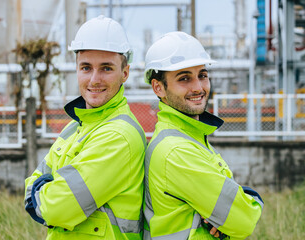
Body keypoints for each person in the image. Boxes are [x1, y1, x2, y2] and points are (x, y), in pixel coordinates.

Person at [24, 15, 146, 240]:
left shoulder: (119, 136)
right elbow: (31, 183)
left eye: (106, 69)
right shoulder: (75, 127)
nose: (94, 79)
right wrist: (43, 190)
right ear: (77, 70)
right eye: (86, 68)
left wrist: (42, 190)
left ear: (125, 73)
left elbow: (56, 208)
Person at [143, 31, 263, 240]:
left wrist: (225, 211)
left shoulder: (190, 137)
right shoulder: (177, 151)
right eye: (184, 79)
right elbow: (244, 220)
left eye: (202, 75)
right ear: (158, 87)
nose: (198, 87)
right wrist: (252, 198)